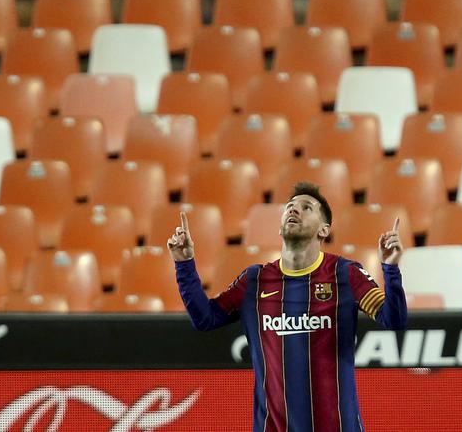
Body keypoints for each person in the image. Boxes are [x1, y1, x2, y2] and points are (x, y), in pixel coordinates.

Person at [168, 182, 407, 432]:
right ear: (280, 227)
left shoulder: (345, 274)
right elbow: (205, 319)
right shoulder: (254, 281)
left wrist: (390, 269)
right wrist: (184, 264)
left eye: (307, 207)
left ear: (324, 230)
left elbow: (394, 320)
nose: (294, 210)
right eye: (290, 207)